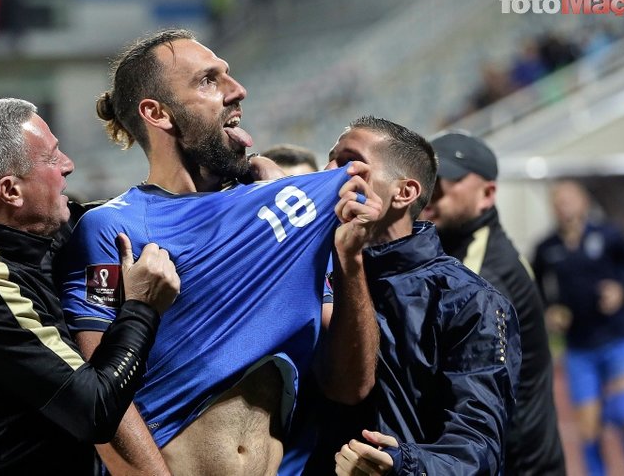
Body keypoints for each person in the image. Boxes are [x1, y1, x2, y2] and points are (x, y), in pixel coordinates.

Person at [55, 29, 381, 475]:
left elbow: (349, 385)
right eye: (209, 81)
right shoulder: (113, 228)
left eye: (228, 76)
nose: (237, 90)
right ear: (157, 113)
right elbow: (102, 406)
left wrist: (350, 261)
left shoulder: (287, 216)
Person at [0, 98, 181, 474]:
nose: (68, 164)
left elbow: (112, 218)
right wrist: (141, 308)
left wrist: (241, 186)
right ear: (11, 191)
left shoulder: (17, 230)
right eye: (51, 158)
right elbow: (94, 411)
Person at [325, 116, 521, 475]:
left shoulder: (470, 301)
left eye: (349, 161)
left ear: (404, 193)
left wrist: (402, 465)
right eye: (331, 159)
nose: (329, 172)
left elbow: (478, 447)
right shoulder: (320, 273)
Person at [420, 131, 566, 475]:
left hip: (517, 465)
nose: (431, 192)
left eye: (444, 182)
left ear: (487, 194)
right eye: (428, 180)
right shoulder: (463, 252)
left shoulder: (482, 274)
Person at [533, 179, 624, 476]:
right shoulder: (547, 248)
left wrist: (620, 288)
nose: (563, 205)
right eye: (558, 200)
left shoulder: (608, 235)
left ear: (583, 202)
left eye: (569, 199)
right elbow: (537, 288)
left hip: (617, 337)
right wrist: (550, 311)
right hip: (579, 347)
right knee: (588, 429)